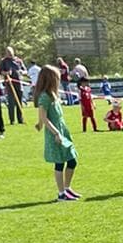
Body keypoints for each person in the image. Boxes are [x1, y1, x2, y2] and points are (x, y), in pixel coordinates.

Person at [32, 65, 79, 201]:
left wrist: (39, 124)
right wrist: (55, 133)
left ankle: (67, 188)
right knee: (59, 163)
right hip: (55, 133)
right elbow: (44, 116)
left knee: (72, 160)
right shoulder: (45, 97)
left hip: (62, 130)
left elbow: (42, 117)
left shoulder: (53, 94)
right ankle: (61, 193)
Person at [0, 47, 26, 125]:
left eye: (10, 52)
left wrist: (22, 72)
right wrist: (7, 73)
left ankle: (20, 119)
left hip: (19, 83)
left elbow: (25, 71)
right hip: (10, 84)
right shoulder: (4, 61)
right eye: (8, 52)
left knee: (19, 102)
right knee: (11, 102)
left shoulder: (19, 61)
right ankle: (12, 120)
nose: (9, 54)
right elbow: (1, 72)